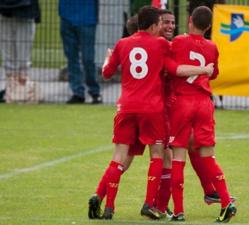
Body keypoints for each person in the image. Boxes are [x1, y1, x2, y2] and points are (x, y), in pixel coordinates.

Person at [87, 6, 214, 220]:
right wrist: (204, 68)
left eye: (173, 23)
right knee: (163, 157)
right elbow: (177, 69)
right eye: (165, 22)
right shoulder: (163, 46)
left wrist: (110, 58)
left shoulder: (127, 44)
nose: (170, 26)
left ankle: (104, 201)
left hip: (128, 107)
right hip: (155, 110)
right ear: (155, 25)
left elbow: (107, 71)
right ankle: (155, 205)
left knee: (122, 160)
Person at [168, 6, 236, 222]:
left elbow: (172, 67)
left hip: (183, 102)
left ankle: (179, 211)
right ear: (208, 27)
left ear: (190, 20)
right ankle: (226, 202)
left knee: (178, 156)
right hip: (204, 103)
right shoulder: (212, 46)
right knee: (208, 155)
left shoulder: (178, 41)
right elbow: (213, 73)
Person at [59, 0, 102, 104]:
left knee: (88, 58)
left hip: (87, 17)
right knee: (71, 58)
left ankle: (94, 92)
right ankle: (78, 93)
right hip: (67, 16)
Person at [0, 0, 40, 103]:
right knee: (7, 54)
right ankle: (11, 89)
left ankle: (22, 89)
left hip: (25, 10)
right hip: (4, 9)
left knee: (23, 55)